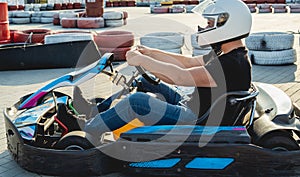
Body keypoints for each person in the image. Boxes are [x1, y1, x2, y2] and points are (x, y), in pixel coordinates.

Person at [57, 0, 253, 138]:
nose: (205, 27)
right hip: (194, 105)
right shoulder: (228, 53)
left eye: (210, 23)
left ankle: (84, 127)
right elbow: (186, 63)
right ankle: (94, 112)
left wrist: (142, 60)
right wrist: (151, 53)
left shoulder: (231, 65)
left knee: (136, 102)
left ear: (228, 25)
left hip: (195, 120)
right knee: (143, 82)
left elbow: (180, 76)